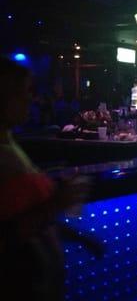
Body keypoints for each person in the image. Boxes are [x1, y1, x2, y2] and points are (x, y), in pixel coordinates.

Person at [0, 57, 92, 300]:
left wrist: (79, 237)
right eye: (23, 92)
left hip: (38, 282)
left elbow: (25, 215)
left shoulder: (9, 145)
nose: (31, 99)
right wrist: (56, 203)